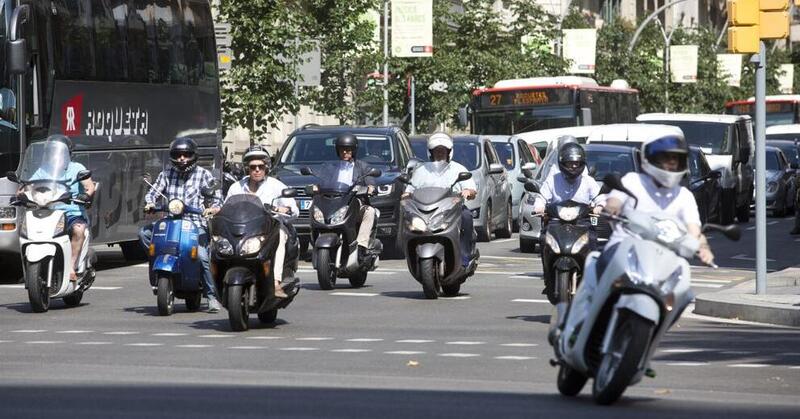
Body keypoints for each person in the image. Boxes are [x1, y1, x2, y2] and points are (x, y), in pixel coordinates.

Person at [139, 137, 223, 313]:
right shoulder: (166, 174)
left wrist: (212, 209)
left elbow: (217, 199)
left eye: (186, 155)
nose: (182, 159)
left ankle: (211, 296)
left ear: (193, 156)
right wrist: (149, 203)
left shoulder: (203, 174)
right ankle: (160, 264)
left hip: (195, 224)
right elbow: (153, 192)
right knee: (145, 234)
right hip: (171, 222)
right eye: (178, 155)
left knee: (201, 256)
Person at [226, 145, 298, 298]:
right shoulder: (236, 187)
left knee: (280, 235)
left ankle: (276, 282)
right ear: (247, 168)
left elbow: (293, 209)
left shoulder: (275, 185)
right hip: (245, 231)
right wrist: (216, 211)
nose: (257, 170)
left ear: (266, 167)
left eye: (260, 166)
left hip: (269, 230)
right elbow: (227, 208)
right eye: (253, 167)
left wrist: (285, 209)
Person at [533, 142, 603, 299]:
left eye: (576, 163)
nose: (573, 166)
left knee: (592, 240)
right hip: (556, 222)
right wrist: (539, 207)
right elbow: (542, 197)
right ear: (562, 163)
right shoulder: (553, 180)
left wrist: (599, 206)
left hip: (582, 222)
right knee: (544, 239)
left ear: (582, 163)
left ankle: (592, 279)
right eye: (570, 163)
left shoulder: (588, 181)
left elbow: (600, 197)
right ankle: (548, 277)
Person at [22, 135, 96, 282]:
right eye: (51, 151)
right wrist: (21, 194)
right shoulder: (44, 169)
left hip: (72, 212)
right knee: (27, 230)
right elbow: (28, 186)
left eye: (60, 151)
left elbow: (90, 186)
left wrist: (86, 195)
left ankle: (71, 267)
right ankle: (31, 269)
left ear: (68, 153)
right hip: (48, 212)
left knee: (78, 230)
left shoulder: (77, 168)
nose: (55, 154)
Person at [401, 132, 478, 266]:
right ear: (431, 153)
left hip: (452, 209)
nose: (440, 153)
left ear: (449, 152)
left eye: (443, 151)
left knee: (467, 217)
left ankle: (465, 255)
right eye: (437, 151)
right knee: (409, 220)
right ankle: (410, 253)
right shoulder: (421, 170)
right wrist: (406, 195)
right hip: (426, 210)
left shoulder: (458, 169)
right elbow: (410, 189)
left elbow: (471, 190)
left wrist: (467, 191)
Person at [321, 133, 378, 263]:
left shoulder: (362, 166)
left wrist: (370, 188)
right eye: (342, 149)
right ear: (338, 151)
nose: (345, 152)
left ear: (354, 150)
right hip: (335, 204)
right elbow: (322, 182)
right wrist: (316, 187)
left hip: (354, 204)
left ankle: (362, 247)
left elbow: (370, 181)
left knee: (369, 211)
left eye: (348, 149)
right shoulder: (330, 167)